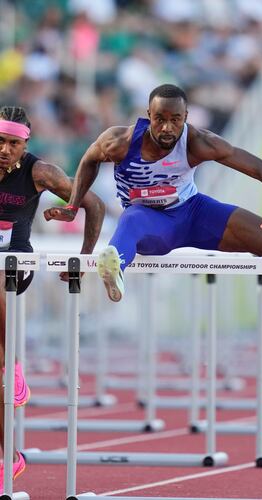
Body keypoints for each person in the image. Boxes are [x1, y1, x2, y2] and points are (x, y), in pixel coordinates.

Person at [50, 83, 262, 302]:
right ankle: (114, 268)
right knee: (131, 220)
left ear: (186, 117)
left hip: (194, 213)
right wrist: (73, 205)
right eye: (160, 119)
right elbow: (89, 161)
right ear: (149, 115)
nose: (167, 128)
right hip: (151, 221)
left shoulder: (200, 142)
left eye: (176, 120)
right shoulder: (120, 142)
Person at [0, 106, 105, 486]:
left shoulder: (39, 172)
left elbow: (94, 204)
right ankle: (9, 457)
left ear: (25, 144)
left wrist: (84, 258)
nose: (4, 150)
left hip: (17, 262)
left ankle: (12, 366)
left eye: (13, 143)